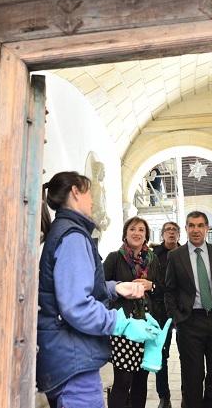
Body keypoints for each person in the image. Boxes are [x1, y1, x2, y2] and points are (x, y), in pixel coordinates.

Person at [36, 171, 161, 408]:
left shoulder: (67, 230)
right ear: (75, 192)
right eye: (90, 193)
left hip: (67, 354)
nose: (94, 200)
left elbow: (71, 286)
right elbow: (77, 306)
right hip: (73, 359)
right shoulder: (73, 236)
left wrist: (115, 287)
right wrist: (122, 324)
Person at [164, 211, 212, 408]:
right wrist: (177, 318)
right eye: (191, 225)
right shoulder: (175, 256)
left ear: (206, 228)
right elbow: (169, 291)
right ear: (186, 229)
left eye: (200, 225)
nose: (195, 230)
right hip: (190, 322)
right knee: (192, 377)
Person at [103, 216, 159, 408]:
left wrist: (151, 285)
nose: (137, 233)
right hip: (124, 327)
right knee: (123, 380)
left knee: (141, 380)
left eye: (141, 230)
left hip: (146, 327)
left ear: (146, 236)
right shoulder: (114, 257)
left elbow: (163, 288)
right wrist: (121, 290)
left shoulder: (153, 259)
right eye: (132, 229)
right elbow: (101, 287)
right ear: (125, 234)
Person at [150, 221, 181, 408]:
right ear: (162, 234)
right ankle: (164, 396)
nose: (171, 233)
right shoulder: (154, 256)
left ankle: (189, 393)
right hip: (161, 311)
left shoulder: (186, 252)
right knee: (161, 354)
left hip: (185, 309)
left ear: (179, 234)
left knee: (189, 354)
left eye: (174, 230)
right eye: (167, 230)